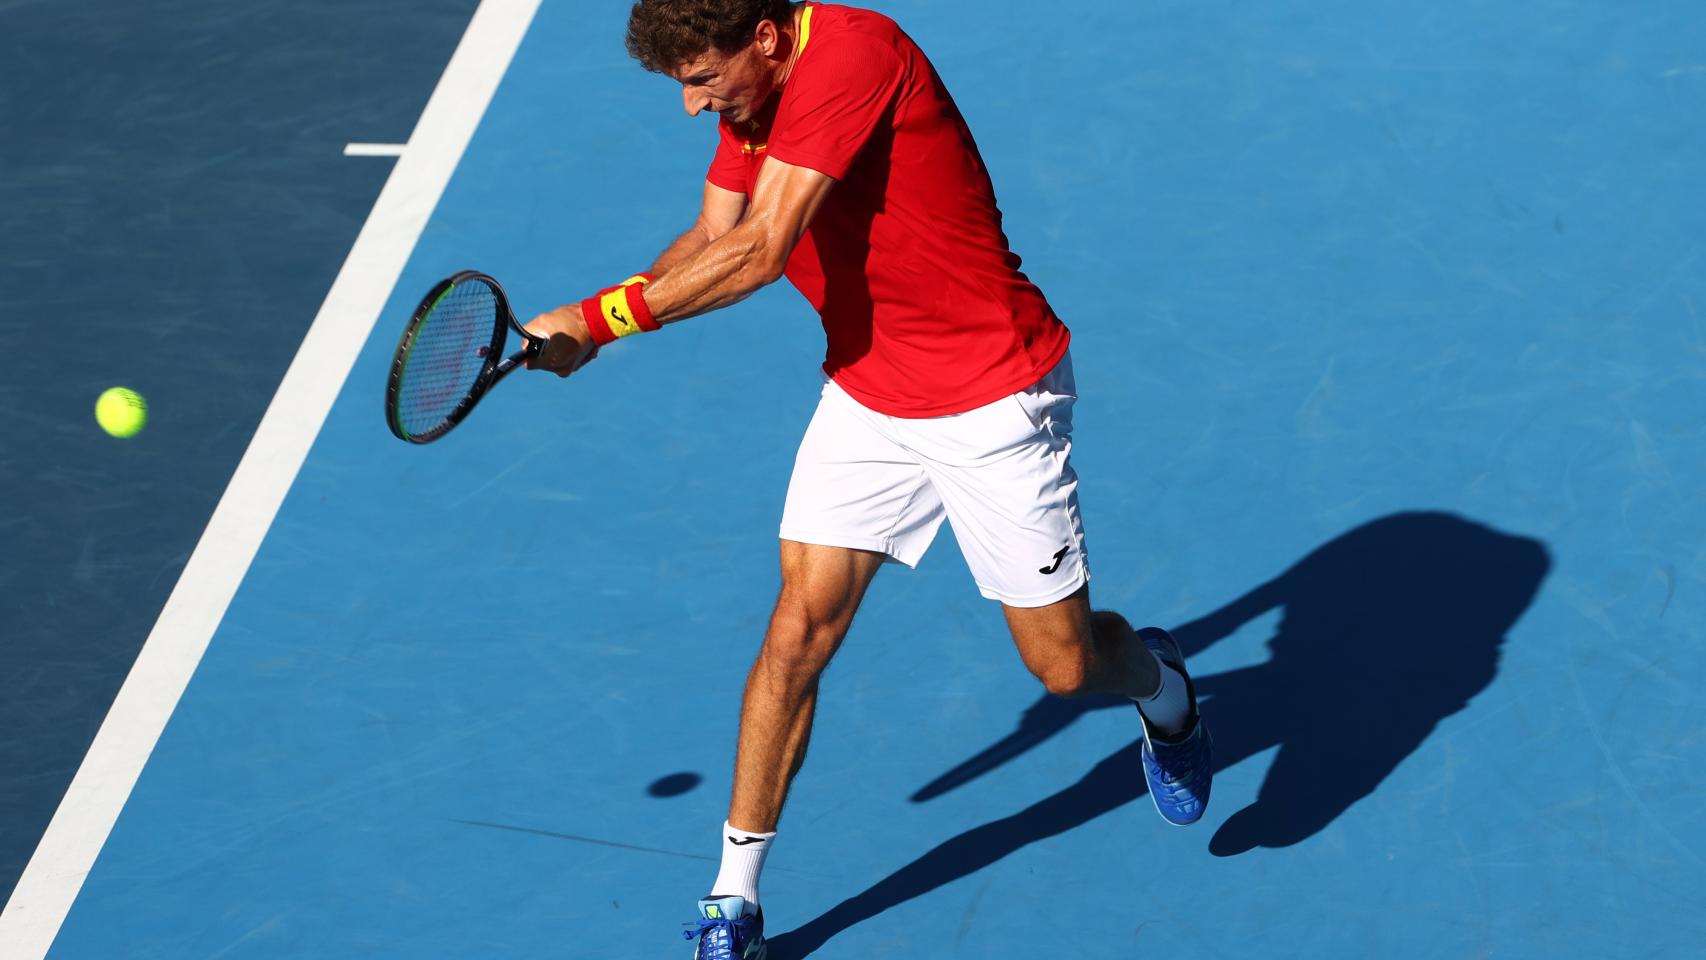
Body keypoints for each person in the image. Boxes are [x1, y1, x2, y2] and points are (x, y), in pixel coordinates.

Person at [521, 2, 1213, 956]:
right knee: (797, 631)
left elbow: (762, 253)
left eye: (701, 79)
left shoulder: (853, 55)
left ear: (763, 36)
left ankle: (1160, 682)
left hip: (993, 395)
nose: (691, 106)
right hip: (869, 397)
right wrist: (593, 323)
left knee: (1063, 668)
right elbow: (712, 233)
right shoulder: (748, 93)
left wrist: (602, 322)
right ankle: (734, 902)